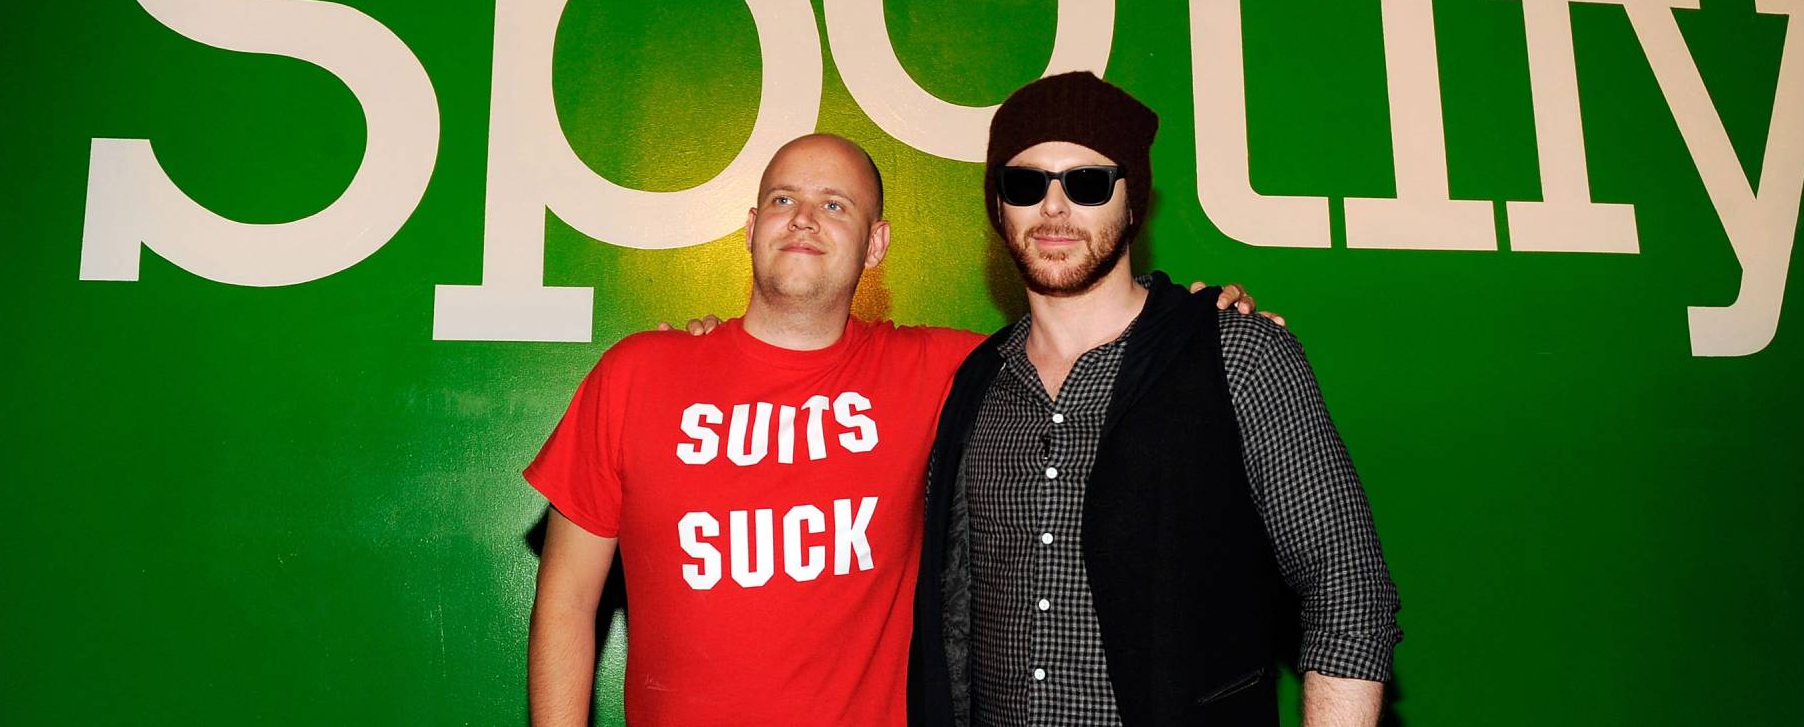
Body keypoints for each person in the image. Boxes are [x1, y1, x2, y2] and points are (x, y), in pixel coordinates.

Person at [524, 131, 1265, 727]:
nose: (804, 217)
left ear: (876, 245)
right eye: (782, 198)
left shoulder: (947, 369)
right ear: (751, 228)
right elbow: (565, 600)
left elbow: (1091, 344)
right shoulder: (637, 372)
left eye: (835, 204)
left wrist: (1198, 325)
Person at [910, 72, 1402, 727]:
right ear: (998, 206)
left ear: (1133, 200)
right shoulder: (975, 384)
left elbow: (1347, 582)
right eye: (1026, 183)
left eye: (1086, 182)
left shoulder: (1238, 354)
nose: (1054, 209)